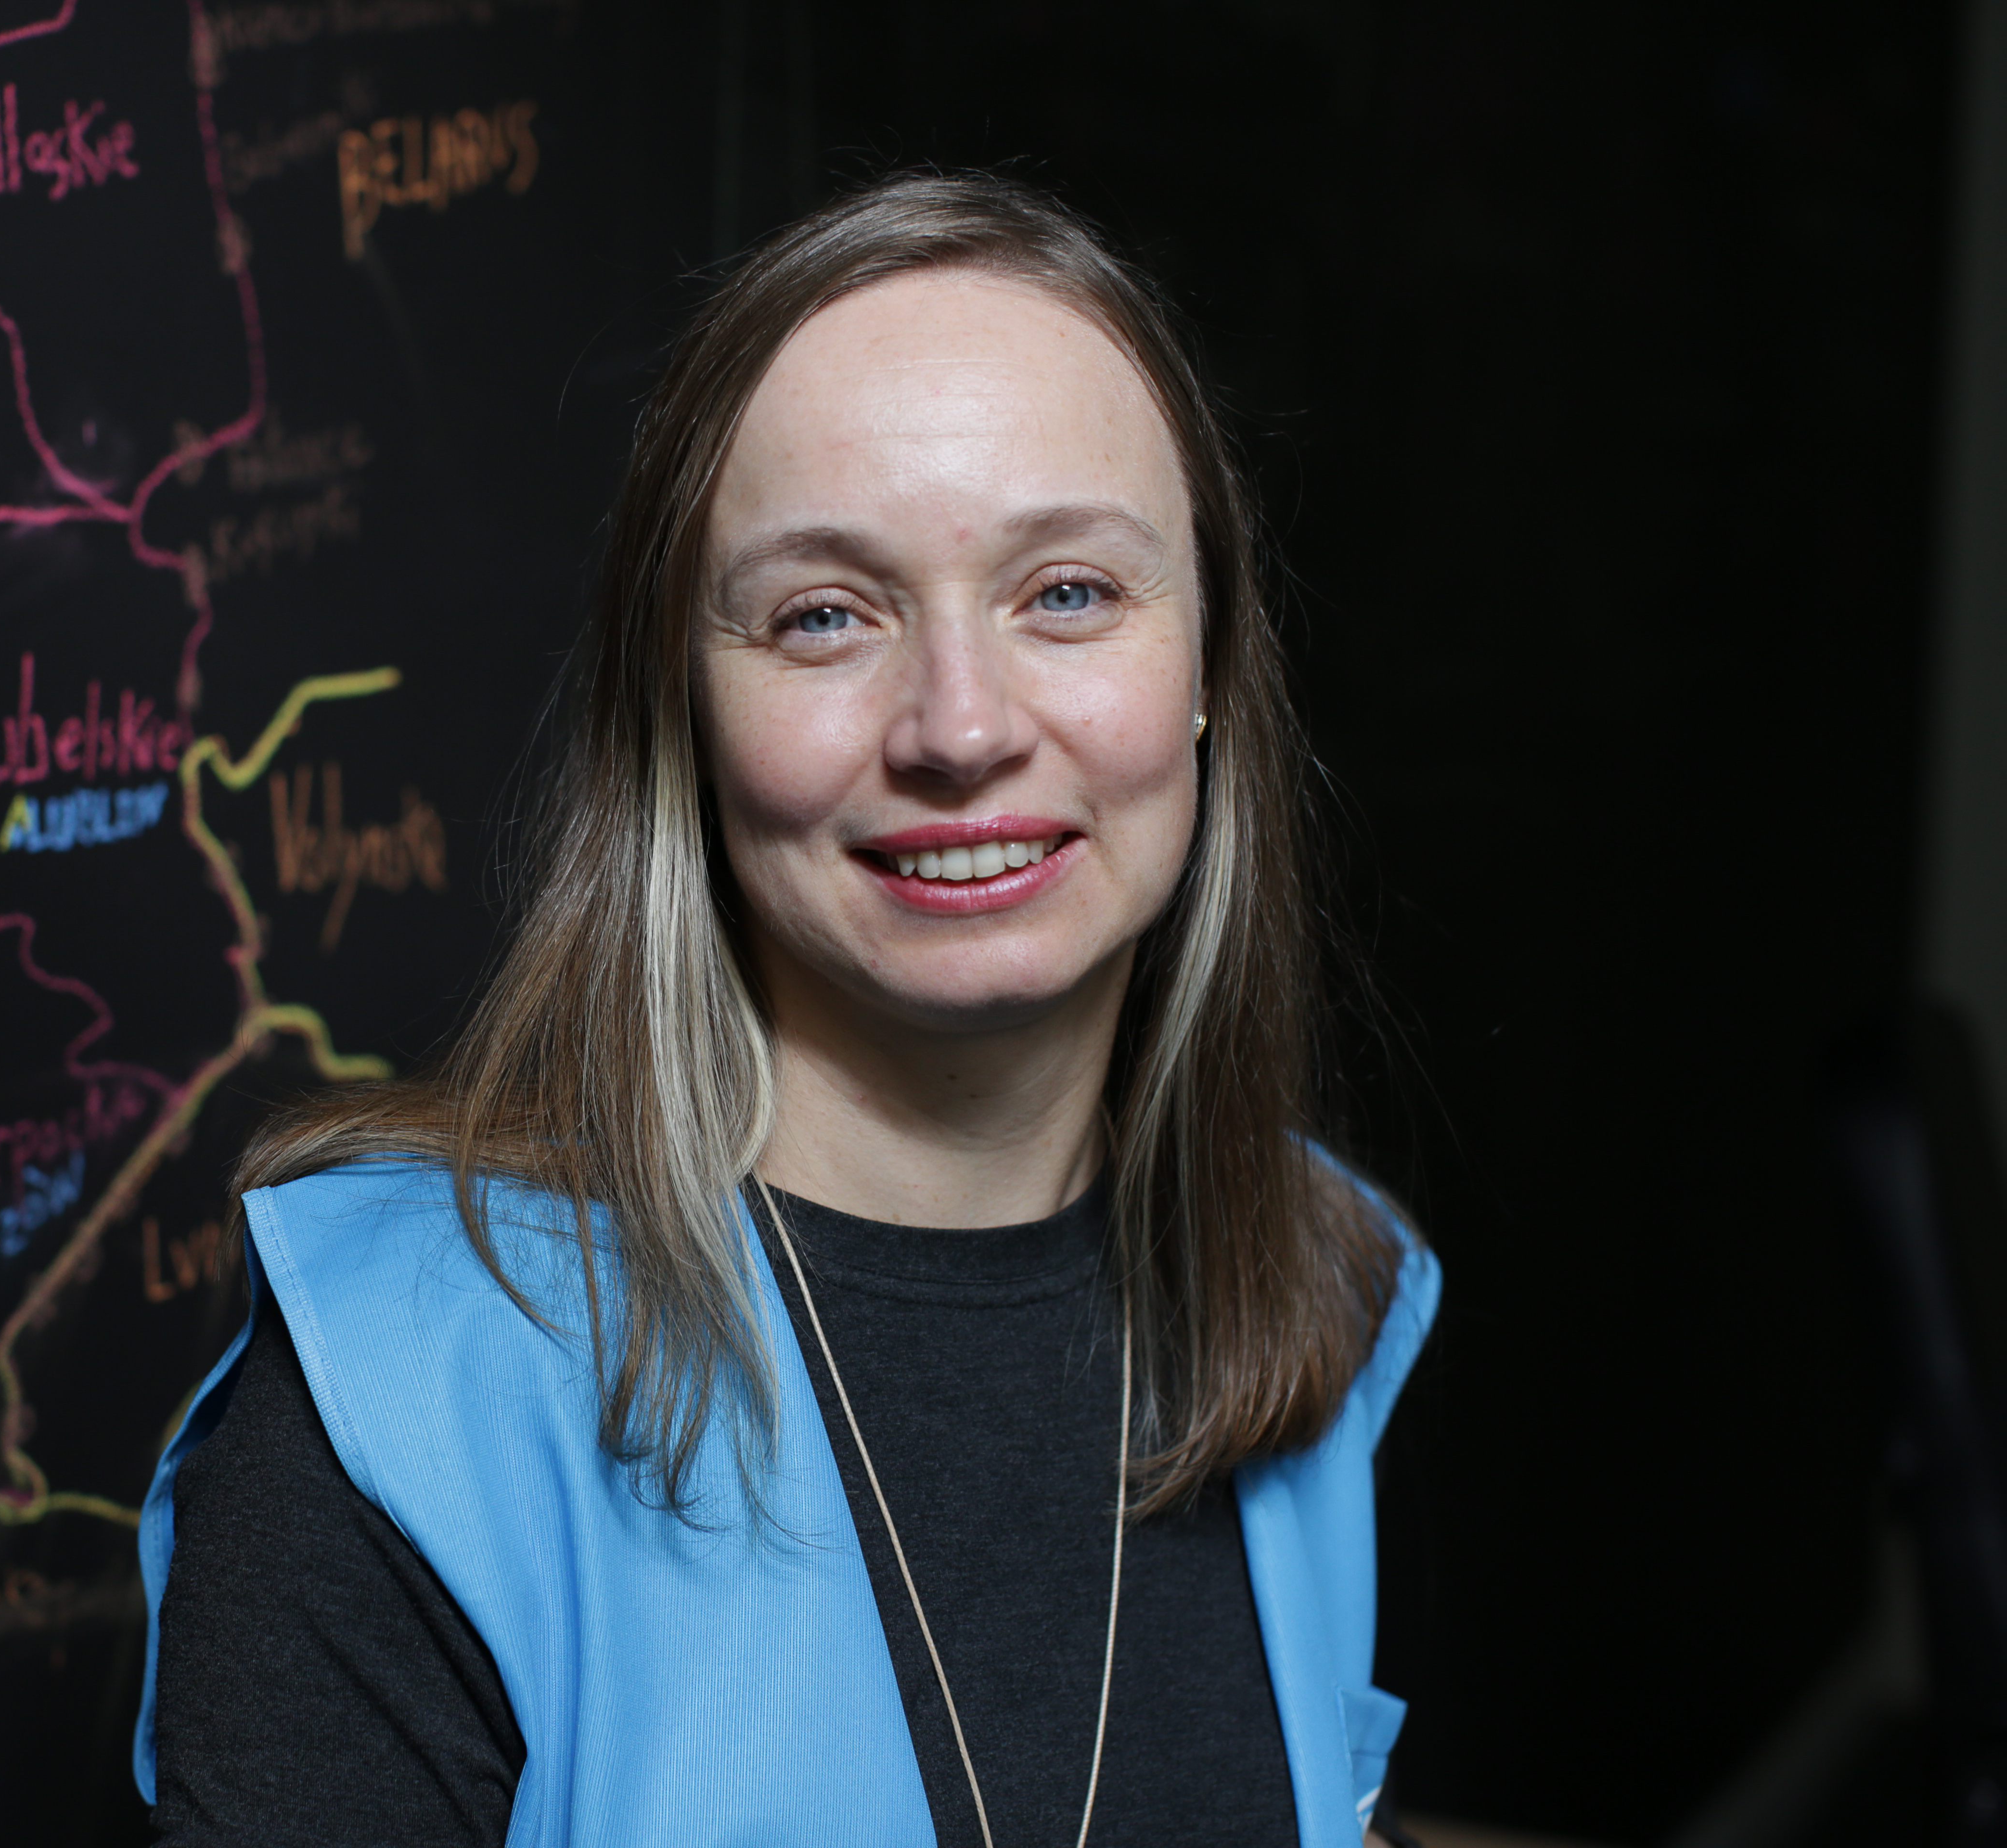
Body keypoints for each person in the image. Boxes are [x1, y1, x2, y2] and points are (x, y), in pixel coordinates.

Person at [132, 171, 1438, 1848]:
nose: (960, 728)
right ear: (684, 713)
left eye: (1068, 593)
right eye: (825, 615)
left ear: (1207, 671)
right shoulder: (407, 1401)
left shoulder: (1317, 1280)